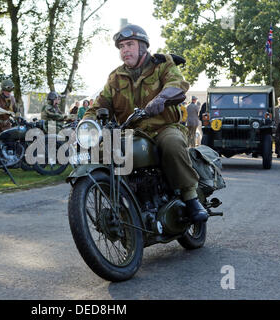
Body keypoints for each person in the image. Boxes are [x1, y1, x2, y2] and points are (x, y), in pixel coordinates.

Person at [82, 24, 208, 222]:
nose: (125, 50)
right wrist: (85, 123)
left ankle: (190, 197)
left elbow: (178, 84)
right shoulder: (115, 77)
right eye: (121, 47)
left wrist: (162, 98)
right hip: (130, 133)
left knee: (173, 144)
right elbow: (99, 106)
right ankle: (121, 200)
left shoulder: (162, 64)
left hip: (163, 127)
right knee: (99, 152)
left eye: (129, 45)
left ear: (143, 46)